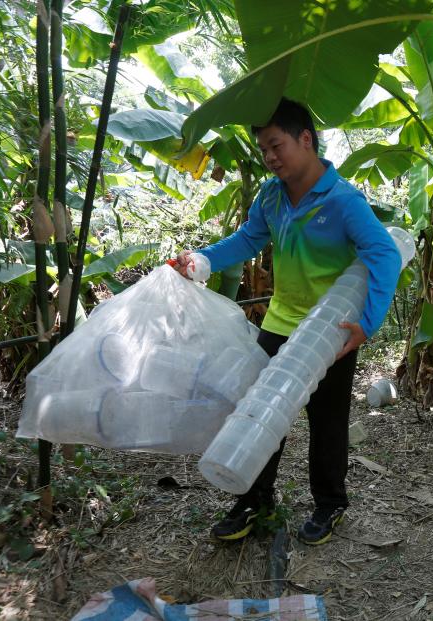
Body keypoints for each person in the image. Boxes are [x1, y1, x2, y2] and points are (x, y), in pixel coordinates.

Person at [174, 98, 400, 545]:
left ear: (305, 139)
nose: (270, 156)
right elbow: (248, 239)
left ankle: (329, 504)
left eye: (276, 145)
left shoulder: (343, 201)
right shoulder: (272, 196)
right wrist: (201, 259)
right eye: (263, 150)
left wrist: (367, 323)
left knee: (327, 421)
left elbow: (385, 254)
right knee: (259, 413)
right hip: (279, 323)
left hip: (330, 331)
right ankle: (254, 501)